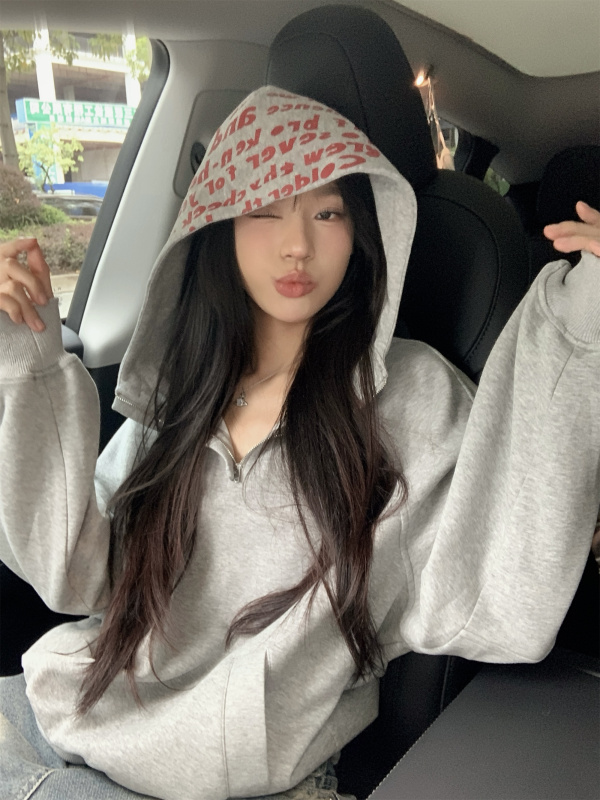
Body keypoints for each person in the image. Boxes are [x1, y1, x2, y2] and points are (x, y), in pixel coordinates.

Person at [0, 86, 599, 800]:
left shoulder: (413, 399)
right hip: (69, 713)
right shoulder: (184, 387)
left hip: (242, 779)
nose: (298, 245)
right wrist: (29, 359)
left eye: (328, 213)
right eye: (265, 210)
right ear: (219, 224)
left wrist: (583, 326)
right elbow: (80, 575)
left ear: (361, 230)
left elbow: (498, 585)